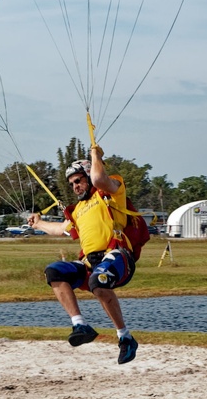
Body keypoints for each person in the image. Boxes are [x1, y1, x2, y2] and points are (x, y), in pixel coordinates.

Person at [27, 145, 139, 365]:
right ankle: (80, 324)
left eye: (78, 180)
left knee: (99, 281)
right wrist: (38, 223)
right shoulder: (77, 210)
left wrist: (95, 156)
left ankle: (125, 337)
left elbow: (99, 179)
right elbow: (60, 229)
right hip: (90, 263)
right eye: (72, 184)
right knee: (54, 272)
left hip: (117, 255)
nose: (75, 186)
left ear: (88, 175)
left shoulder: (110, 192)